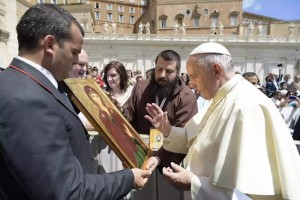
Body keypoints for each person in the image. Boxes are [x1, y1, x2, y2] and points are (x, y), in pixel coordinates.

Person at [0, 4, 151, 200]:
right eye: (74, 52)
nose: (76, 60)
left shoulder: (22, 83)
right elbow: (67, 192)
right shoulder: (27, 98)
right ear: (49, 45)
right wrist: (128, 178)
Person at [144, 42, 300, 199]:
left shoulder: (246, 106)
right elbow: (195, 138)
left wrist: (194, 183)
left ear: (216, 71)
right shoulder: (221, 97)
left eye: (194, 76)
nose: (191, 84)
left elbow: (246, 195)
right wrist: (168, 130)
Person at [122, 49, 198, 200]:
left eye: (168, 71)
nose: (162, 75)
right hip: (141, 159)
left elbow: (183, 136)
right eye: (159, 69)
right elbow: (128, 114)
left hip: (170, 166)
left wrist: (158, 158)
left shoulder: (187, 96)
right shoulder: (141, 87)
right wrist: (117, 113)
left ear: (177, 72)